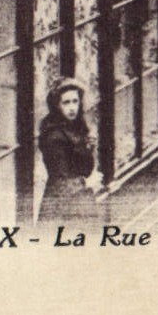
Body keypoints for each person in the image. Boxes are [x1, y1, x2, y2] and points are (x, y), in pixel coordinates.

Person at [38, 77, 102, 222]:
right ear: (57, 106)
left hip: (78, 199)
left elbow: (85, 168)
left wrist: (89, 148)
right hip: (61, 204)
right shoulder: (53, 136)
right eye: (66, 103)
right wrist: (88, 182)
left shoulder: (75, 128)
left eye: (75, 101)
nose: (72, 107)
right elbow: (62, 177)